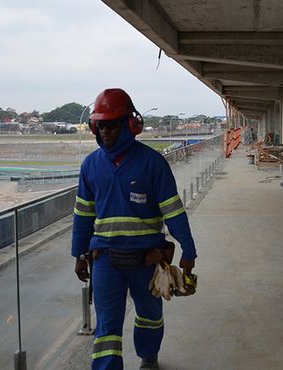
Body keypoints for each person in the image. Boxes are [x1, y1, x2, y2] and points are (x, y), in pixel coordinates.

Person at [72, 88, 197, 370]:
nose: (105, 131)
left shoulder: (152, 163)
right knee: (107, 326)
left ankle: (148, 356)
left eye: (112, 124)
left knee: (150, 315)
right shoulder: (90, 166)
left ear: (130, 124)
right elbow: (82, 214)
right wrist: (79, 254)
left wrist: (189, 250)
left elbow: (174, 212)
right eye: (100, 125)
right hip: (106, 261)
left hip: (147, 260)